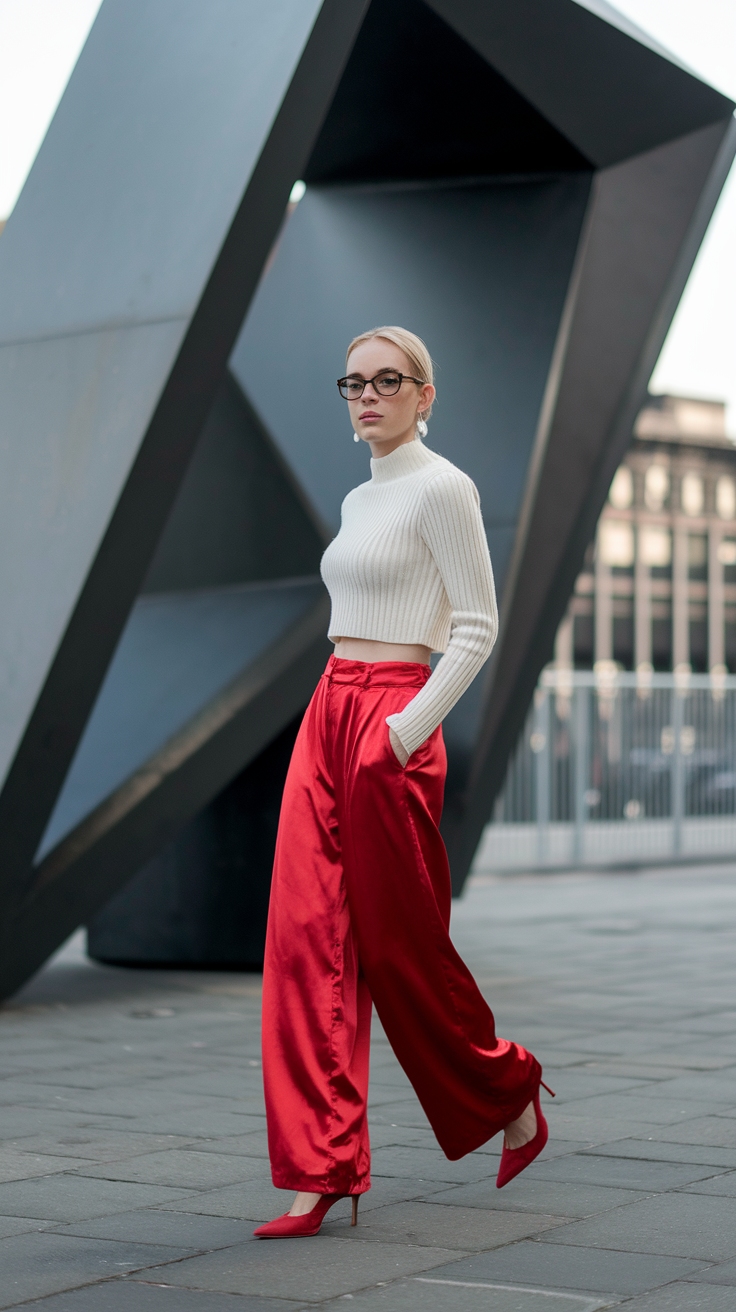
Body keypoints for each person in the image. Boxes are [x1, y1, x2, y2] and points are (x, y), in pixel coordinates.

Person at [254, 327, 552, 1240]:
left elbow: (477, 625)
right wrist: (344, 721)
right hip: (328, 710)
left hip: (392, 716)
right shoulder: (356, 497)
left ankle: (510, 1089)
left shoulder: (443, 487)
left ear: (427, 394)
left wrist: (402, 731)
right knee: (305, 941)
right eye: (355, 381)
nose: (370, 394)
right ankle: (321, 1167)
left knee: (398, 946)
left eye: (391, 380)